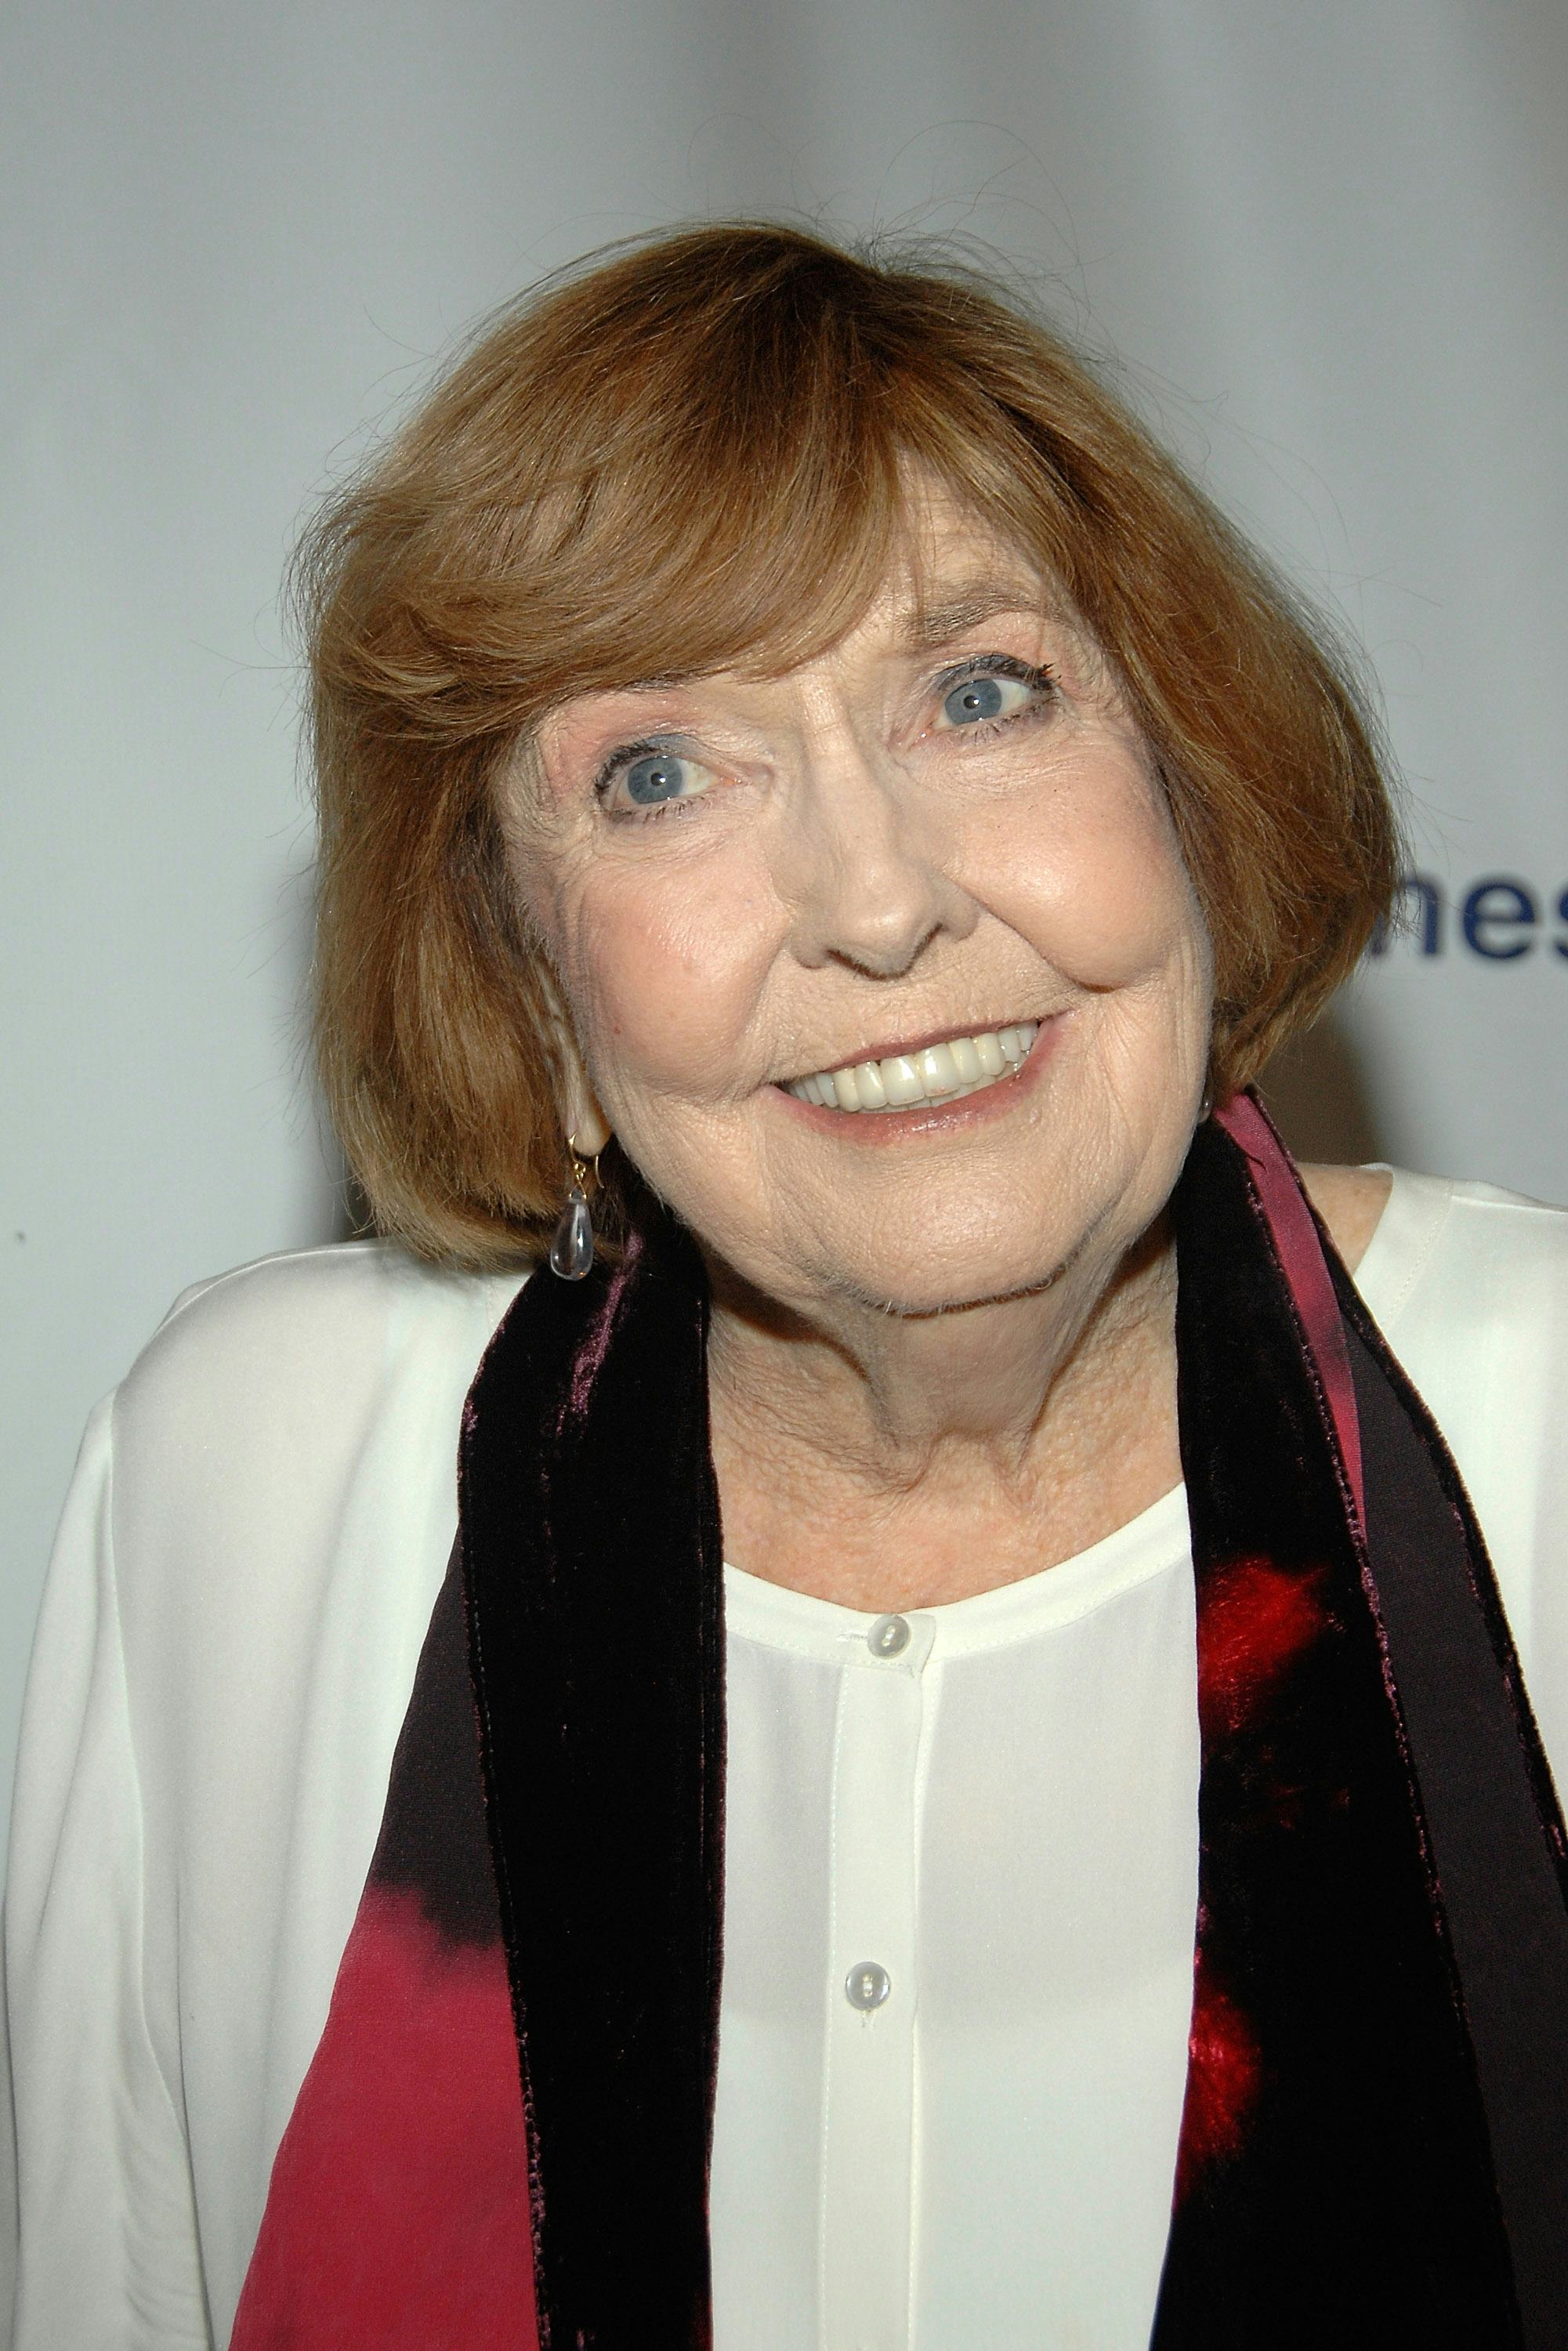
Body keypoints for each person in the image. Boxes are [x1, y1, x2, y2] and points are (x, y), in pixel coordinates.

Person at [5, 221, 1567, 2351]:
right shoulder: (248, 1477)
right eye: (658, 773)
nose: (877, 901)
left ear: (1191, 794)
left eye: (978, 692)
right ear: (530, 989)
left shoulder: (1543, 1424)